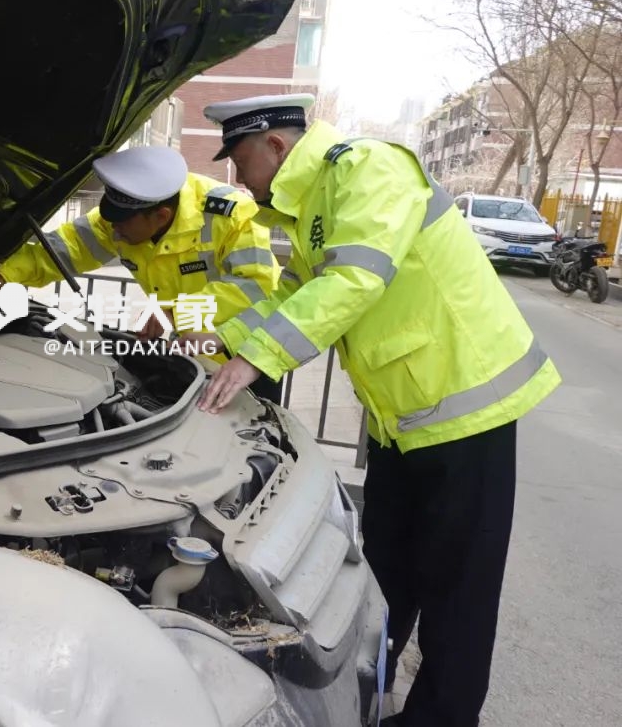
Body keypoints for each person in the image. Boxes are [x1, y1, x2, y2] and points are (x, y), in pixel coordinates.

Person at [179, 93, 561, 726]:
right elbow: (296, 294)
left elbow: (353, 280)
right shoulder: (314, 201)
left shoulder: (367, 169)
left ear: (275, 145)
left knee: (457, 591)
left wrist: (255, 360)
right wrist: (221, 345)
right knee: (388, 573)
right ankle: (365, 688)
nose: (238, 178)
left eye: (240, 161)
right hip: (401, 420)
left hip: (466, 410)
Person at [0, 145, 284, 402]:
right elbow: (62, 249)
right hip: (189, 356)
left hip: (248, 359)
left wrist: (173, 312)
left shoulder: (232, 215)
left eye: (122, 225)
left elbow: (255, 286)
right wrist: (2, 278)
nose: (115, 232)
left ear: (161, 216)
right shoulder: (125, 216)